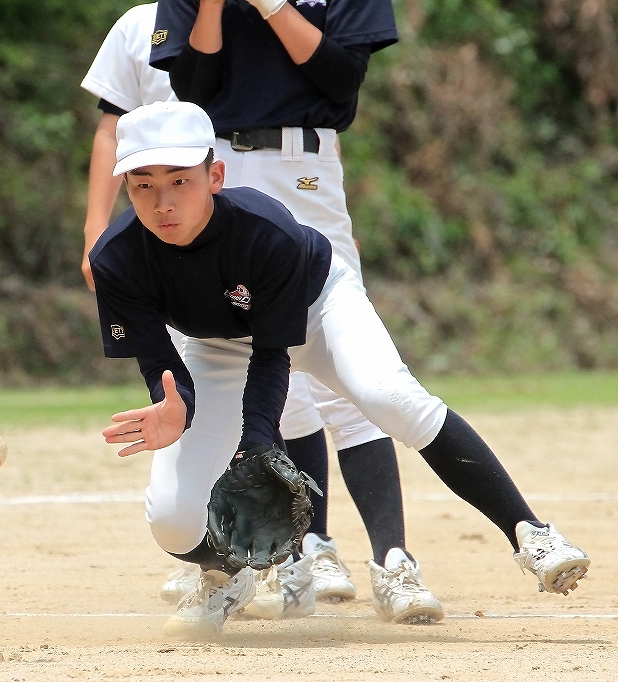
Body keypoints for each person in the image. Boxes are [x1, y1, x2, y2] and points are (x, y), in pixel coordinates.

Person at [90, 100, 590, 639]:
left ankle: (531, 534)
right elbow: (163, 364)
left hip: (318, 306)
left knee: (388, 397)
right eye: (143, 185)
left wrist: (256, 445)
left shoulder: (265, 230)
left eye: (179, 181)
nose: (162, 202)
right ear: (126, 188)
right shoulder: (116, 259)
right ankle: (226, 573)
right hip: (217, 344)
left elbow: (272, 355)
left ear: (215, 176)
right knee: (171, 517)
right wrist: (178, 409)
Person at [82, 2, 422, 622]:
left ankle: (393, 559)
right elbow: (192, 90)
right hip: (211, 169)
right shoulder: (158, 15)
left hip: (304, 165)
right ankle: (304, 548)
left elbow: (343, 78)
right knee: (276, 386)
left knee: (354, 382)